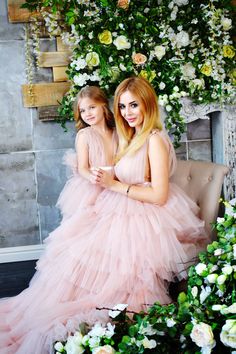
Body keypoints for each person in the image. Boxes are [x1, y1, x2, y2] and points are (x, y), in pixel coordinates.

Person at [0, 77, 209, 354]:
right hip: (119, 204)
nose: (128, 113)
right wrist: (109, 177)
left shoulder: (155, 139)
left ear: (148, 103)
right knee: (81, 256)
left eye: (134, 105)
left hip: (146, 215)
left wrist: (115, 185)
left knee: (124, 283)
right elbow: (127, 171)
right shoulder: (131, 136)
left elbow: (159, 194)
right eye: (122, 107)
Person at [56, 85, 118, 221]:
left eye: (92, 107)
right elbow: (82, 168)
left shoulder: (117, 132)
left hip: (117, 181)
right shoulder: (85, 135)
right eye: (82, 111)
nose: (87, 114)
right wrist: (93, 178)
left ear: (103, 105)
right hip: (95, 185)